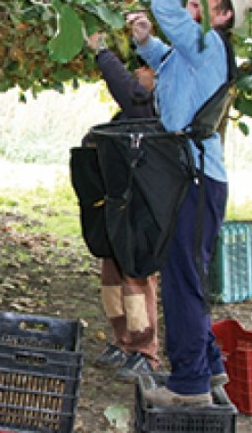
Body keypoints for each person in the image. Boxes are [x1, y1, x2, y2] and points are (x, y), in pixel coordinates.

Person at [130, 0, 248, 407]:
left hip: (196, 179)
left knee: (182, 278)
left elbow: (170, 17)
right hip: (193, 175)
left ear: (223, 15)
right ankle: (209, 364)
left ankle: (190, 386)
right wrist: (146, 44)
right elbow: (171, 61)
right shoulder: (199, 50)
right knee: (187, 274)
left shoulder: (210, 43)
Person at [85, 32, 160, 381]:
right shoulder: (129, 114)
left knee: (135, 279)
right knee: (112, 278)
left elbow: (125, 88)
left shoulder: (149, 106)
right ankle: (122, 340)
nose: (140, 72)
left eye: (147, 69)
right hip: (119, 205)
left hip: (141, 209)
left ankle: (145, 350)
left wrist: (102, 51)